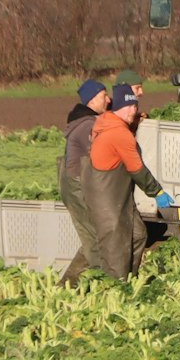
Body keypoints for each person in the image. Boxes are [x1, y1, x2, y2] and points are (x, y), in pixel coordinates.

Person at [83, 84, 175, 280]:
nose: (134, 110)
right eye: (129, 106)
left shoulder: (108, 123)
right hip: (106, 198)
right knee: (115, 245)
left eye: (135, 106)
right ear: (118, 108)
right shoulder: (119, 133)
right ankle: (115, 289)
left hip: (119, 196)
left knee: (138, 234)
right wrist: (157, 192)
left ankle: (129, 279)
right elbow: (136, 168)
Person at [57, 79, 110, 285]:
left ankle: (67, 286)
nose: (108, 99)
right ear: (93, 98)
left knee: (93, 237)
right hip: (77, 186)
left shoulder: (87, 121)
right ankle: (97, 284)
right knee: (95, 238)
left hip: (79, 184)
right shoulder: (87, 126)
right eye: (104, 95)